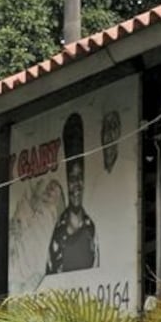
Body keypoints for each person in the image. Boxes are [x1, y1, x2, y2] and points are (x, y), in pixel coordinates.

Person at [46, 113, 99, 274]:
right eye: (72, 178)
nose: (77, 185)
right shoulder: (58, 232)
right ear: (67, 182)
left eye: (80, 177)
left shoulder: (92, 229)